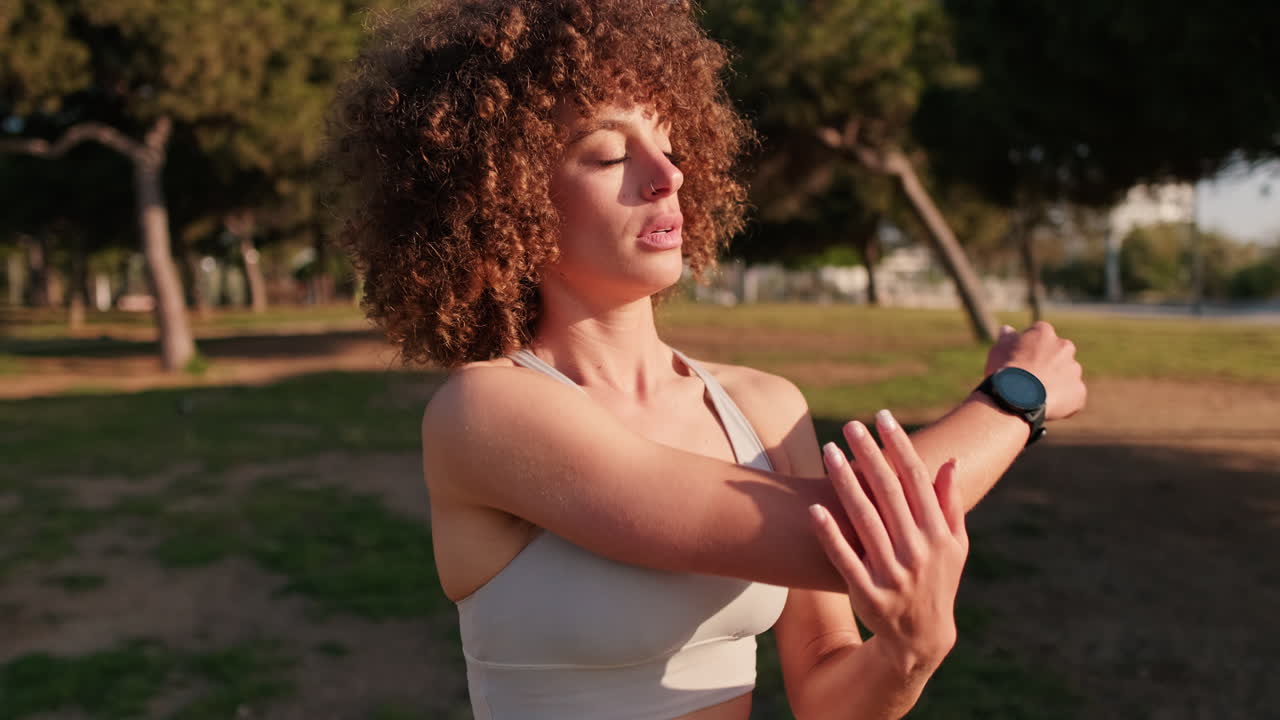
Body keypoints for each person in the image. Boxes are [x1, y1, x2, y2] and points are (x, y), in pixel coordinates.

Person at [324, 1, 1086, 718]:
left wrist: (907, 654)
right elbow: (854, 536)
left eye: (667, 141)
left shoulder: (763, 406)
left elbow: (827, 693)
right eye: (607, 153)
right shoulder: (486, 412)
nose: (667, 174)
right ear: (505, 199)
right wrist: (1019, 397)